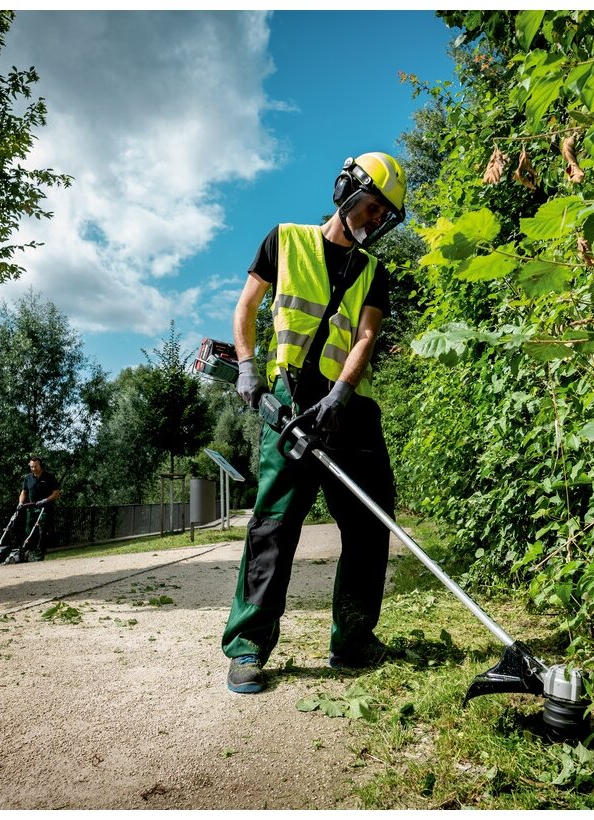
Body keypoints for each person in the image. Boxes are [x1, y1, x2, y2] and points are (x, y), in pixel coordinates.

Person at [221, 151, 406, 694]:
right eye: (371, 206)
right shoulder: (285, 240)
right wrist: (249, 367)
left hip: (350, 409)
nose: (374, 220)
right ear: (344, 189)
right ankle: (250, 645)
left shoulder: (374, 271)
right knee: (274, 524)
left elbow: (366, 336)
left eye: (382, 216)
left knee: (371, 525)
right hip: (290, 398)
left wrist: (343, 394)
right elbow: (248, 305)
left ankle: (352, 641)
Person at [18, 456, 61, 561]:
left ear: (40, 465)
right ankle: (29, 553)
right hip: (31, 508)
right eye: (31, 466)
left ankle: (39, 555)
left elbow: (56, 493)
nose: (33, 468)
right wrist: (20, 502)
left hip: (45, 508)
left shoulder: (49, 477)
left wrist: (45, 500)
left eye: (35, 466)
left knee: (43, 531)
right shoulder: (28, 478)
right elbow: (24, 492)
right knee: (29, 530)